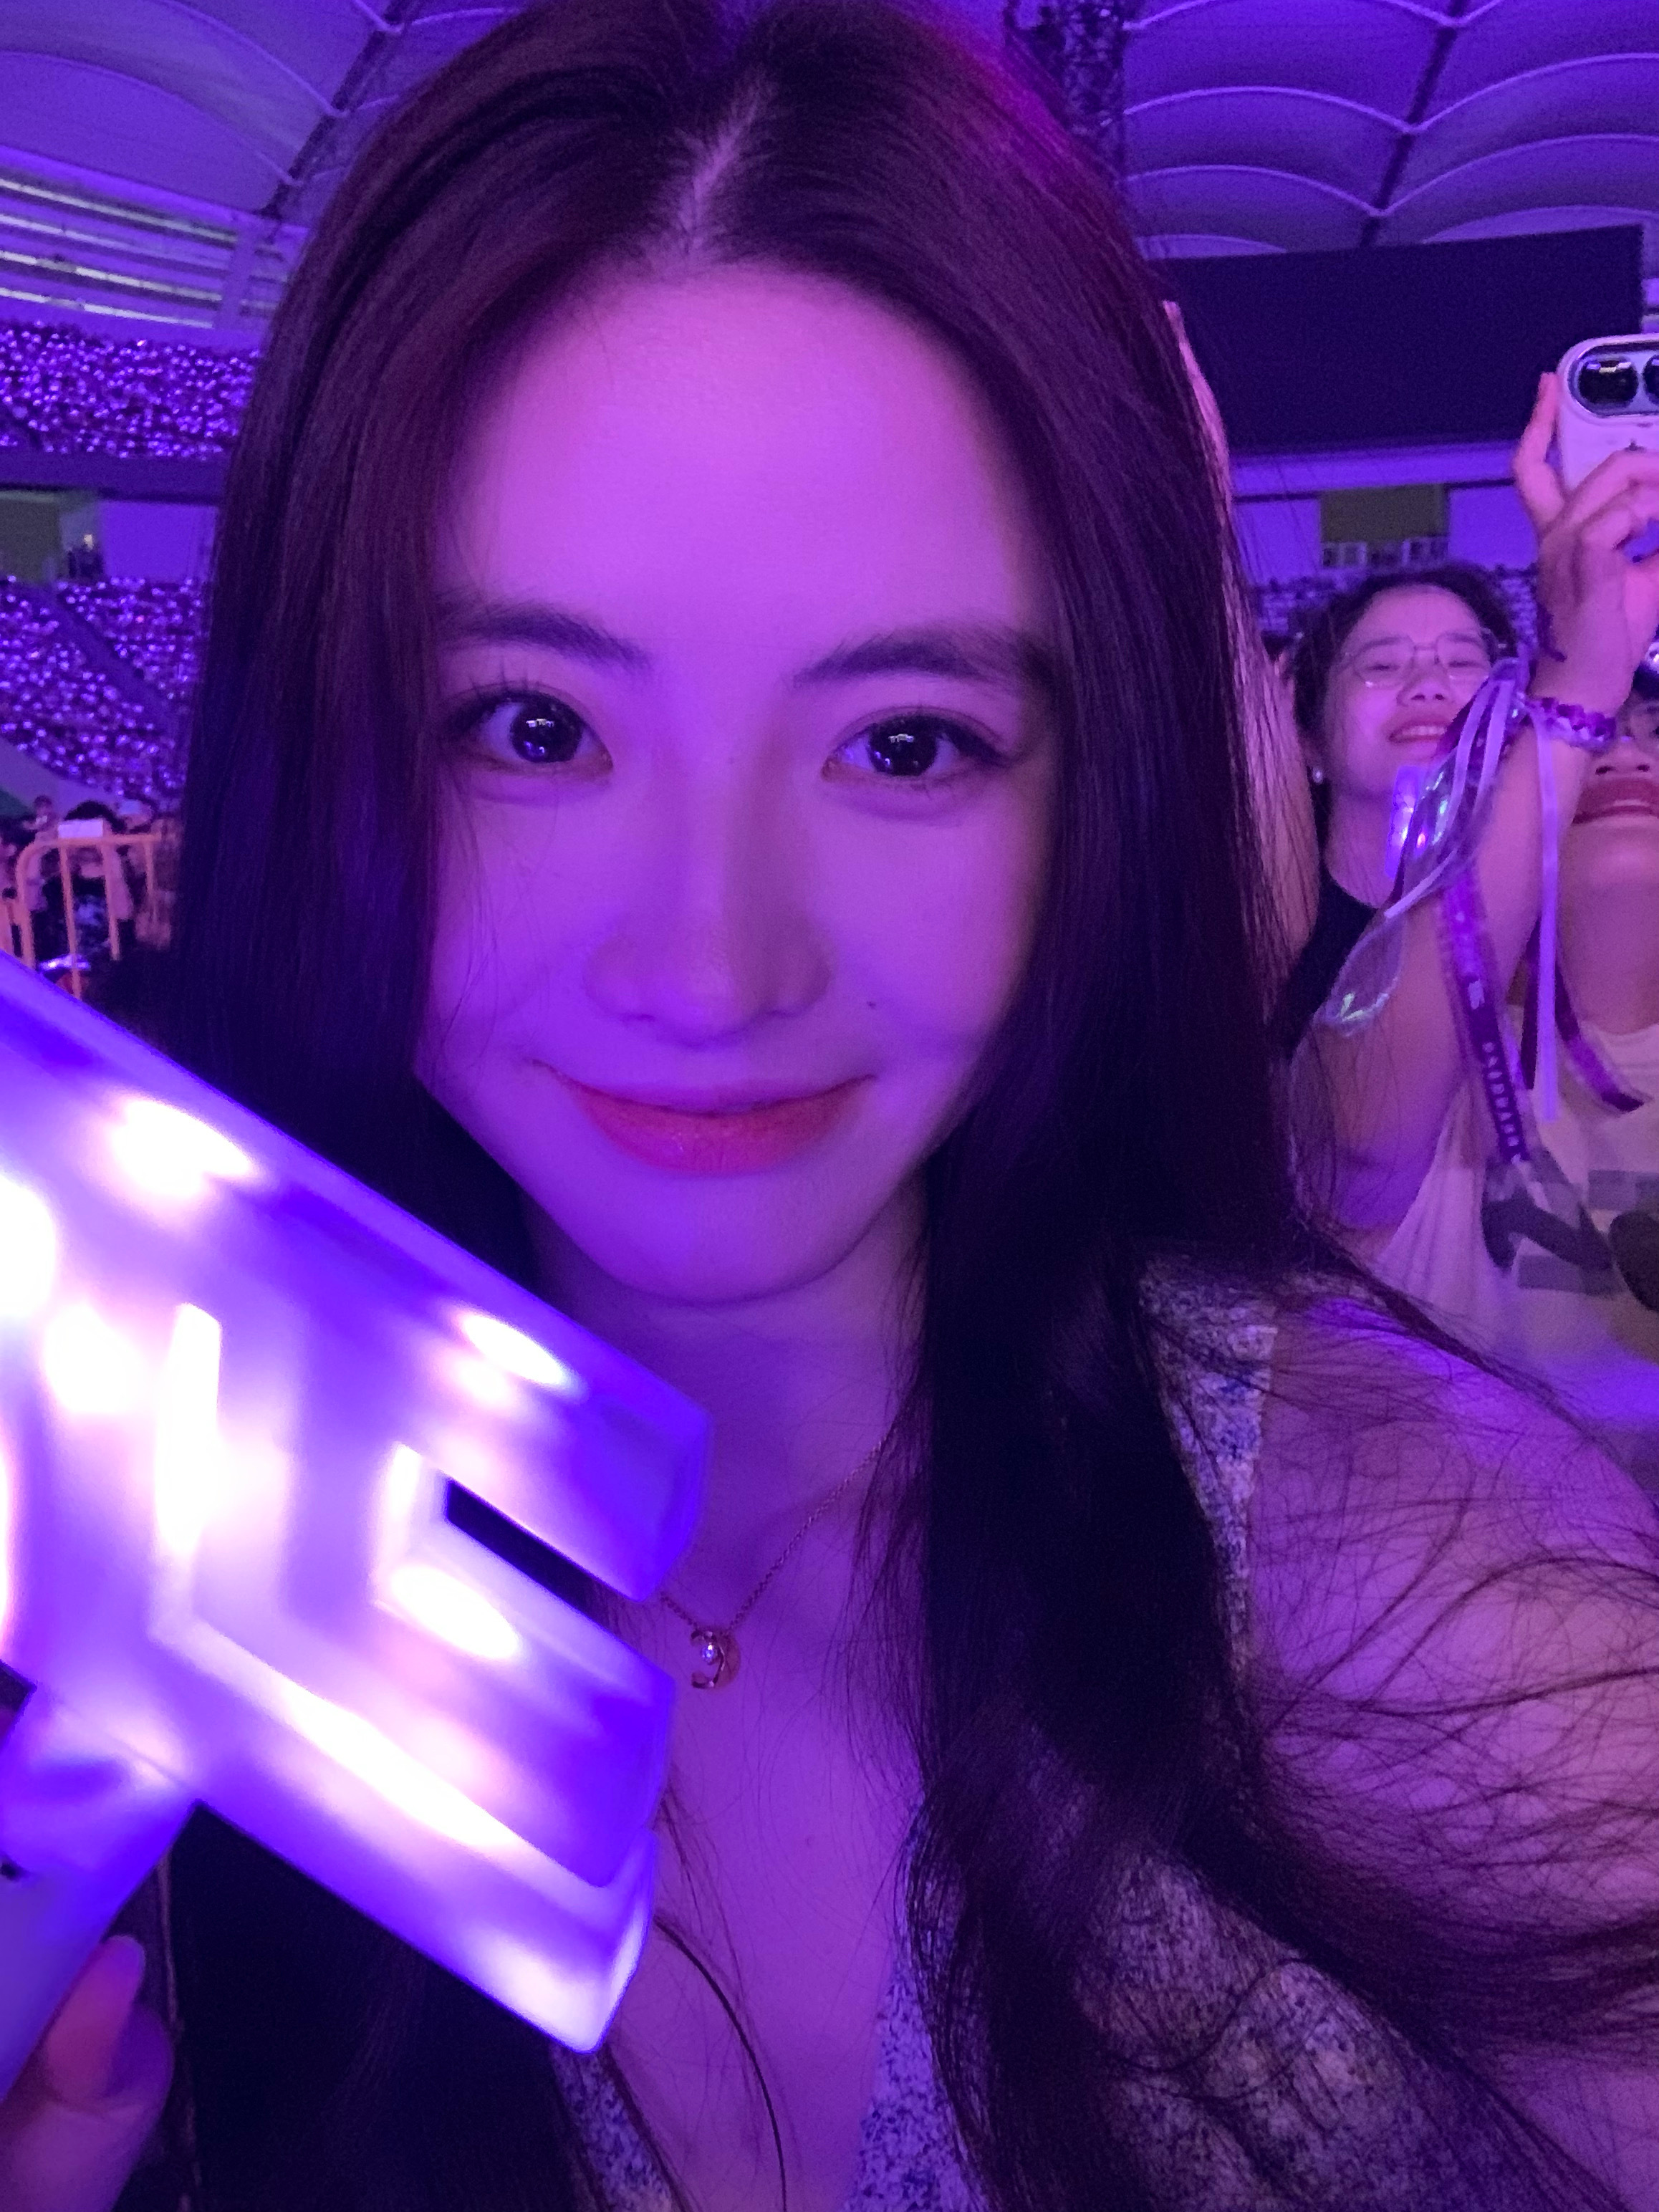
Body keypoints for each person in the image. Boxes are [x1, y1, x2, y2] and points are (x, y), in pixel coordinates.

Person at [7, 7, 1659, 2210]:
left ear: (1086, 787)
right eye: (532, 727)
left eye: (902, 745)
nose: (712, 966)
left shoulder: (1432, 1628)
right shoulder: (149, 1499)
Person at [1292, 374, 1659, 1483]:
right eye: (1598, 731)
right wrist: (1575, 682)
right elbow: (1357, 1136)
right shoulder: (1397, 1041)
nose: (1625, 747)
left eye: (1464, 667)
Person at [1276, 562, 1519, 1052]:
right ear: (1309, 741)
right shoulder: (1254, 941)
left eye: (1462, 662)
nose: (1429, 684)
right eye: (1382, 666)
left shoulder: (1550, 925)